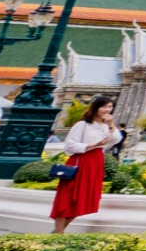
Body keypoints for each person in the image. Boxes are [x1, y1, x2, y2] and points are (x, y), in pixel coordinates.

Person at [49, 95, 122, 232]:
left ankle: (57, 232)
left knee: (85, 197)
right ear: (96, 107)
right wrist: (94, 144)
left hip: (96, 163)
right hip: (80, 160)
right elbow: (70, 145)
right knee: (67, 196)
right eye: (104, 106)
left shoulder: (106, 126)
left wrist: (111, 124)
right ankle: (59, 232)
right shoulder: (82, 125)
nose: (107, 110)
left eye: (110, 107)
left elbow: (116, 139)